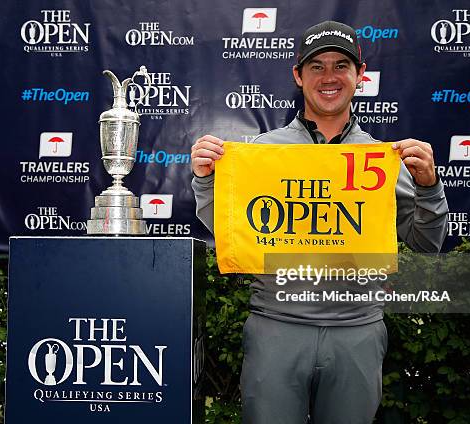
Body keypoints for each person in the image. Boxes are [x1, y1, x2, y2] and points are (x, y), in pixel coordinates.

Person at [191, 21, 448, 424]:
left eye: (341, 65)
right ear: (298, 75)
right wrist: (206, 181)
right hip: (275, 327)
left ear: (359, 76)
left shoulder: (383, 158)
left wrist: (430, 188)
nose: (329, 76)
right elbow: (229, 230)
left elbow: (424, 246)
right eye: (316, 66)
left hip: (358, 332)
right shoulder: (263, 151)